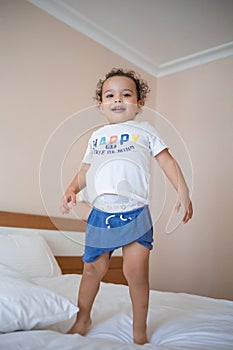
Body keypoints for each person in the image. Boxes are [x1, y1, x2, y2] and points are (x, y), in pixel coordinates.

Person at [60, 68, 193, 345]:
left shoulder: (145, 131)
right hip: (100, 215)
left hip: (135, 212)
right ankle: (83, 317)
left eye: (126, 94)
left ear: (139, 103)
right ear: (101, 104)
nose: (117, 99)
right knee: (91, 270)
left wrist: (183, 191)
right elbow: (86, 169)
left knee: (136, 272)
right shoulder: (96, 137)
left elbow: (167, 161)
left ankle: (139, 328)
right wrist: (72, 189)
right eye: (110, 95)